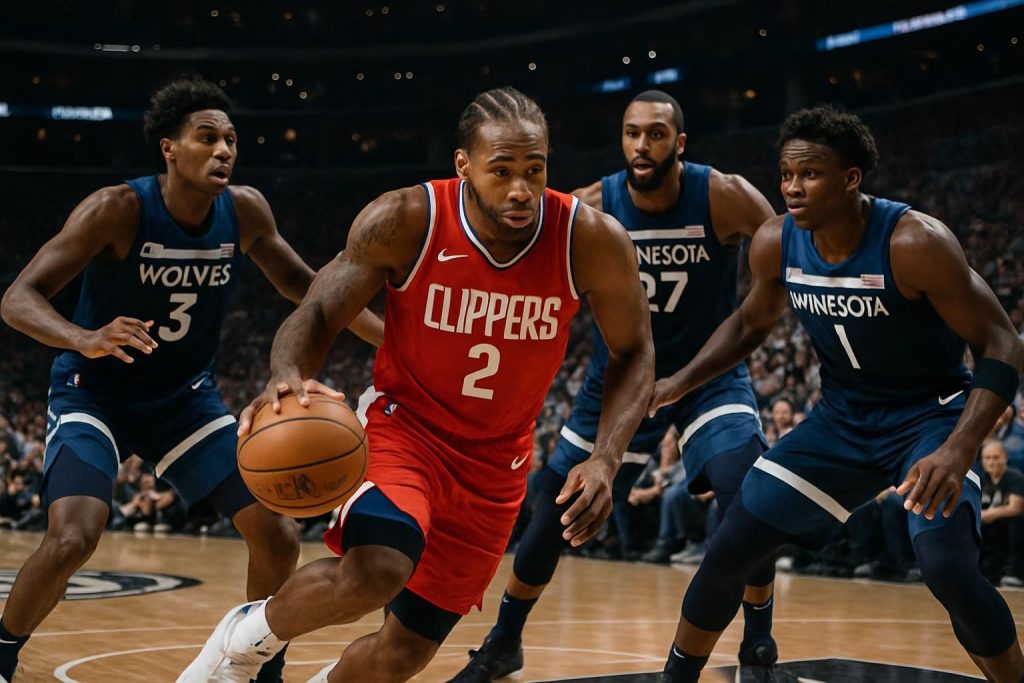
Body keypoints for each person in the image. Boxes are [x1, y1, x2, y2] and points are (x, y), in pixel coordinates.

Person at [177, 86, 654, 683]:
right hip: (406, 432)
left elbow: (635, 352)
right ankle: (242, 644)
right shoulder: (406, 219)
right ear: (463, 165)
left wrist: (606, 459)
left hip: (495, 466)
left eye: (534, 170)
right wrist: (287, 372)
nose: (520, 189)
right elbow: (321, 311)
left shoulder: (589, 239)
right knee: (377, 569)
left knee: (403, 653)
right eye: (501, 171)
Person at [0, 77, 382, 683]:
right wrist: (85, 337)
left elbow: (307, 289)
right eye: (207, 138)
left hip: (184, 400)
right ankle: (2, 651)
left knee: (278, 532)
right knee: (75, 535)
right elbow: (18, 298)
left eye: (231, 139)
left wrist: (388, 337)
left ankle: (259, 665)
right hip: (96, 391)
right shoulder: (117, 209)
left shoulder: (245, 210)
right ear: (169, 148)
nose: (224, 150)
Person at [650, 105, 1024, 683]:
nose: (793, 188)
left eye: (811, 174)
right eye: (786, 174)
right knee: (731, 547)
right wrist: (681, 380)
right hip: (840, 421)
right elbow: (750, 325)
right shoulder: (775, 241)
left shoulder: (914, 242)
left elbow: (1002, 342)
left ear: (851, 178)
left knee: (946, 567)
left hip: (928, 419)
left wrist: (959, 447)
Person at [452, 89, 778, 683]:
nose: (641, 145)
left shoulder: (724, 196)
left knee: (744, 488)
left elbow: (787, 252)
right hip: (622, 378)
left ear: (679, 142)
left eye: (655, 134)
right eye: (631, 133)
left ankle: (758, 641)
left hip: (706, 377)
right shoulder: (593, 207)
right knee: (553, 511)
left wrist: (750, 324)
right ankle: (504, 640)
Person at [978, 439, 1024, 584]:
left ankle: (1015, 573)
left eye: (996, 457)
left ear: (1005, 458)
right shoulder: (980, 479)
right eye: (987, 458)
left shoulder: (1015, 477)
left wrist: (989, 514)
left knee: (1017, 520)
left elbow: (1016, 508)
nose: (991, 462)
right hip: (989, 528)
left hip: (1010, 528)